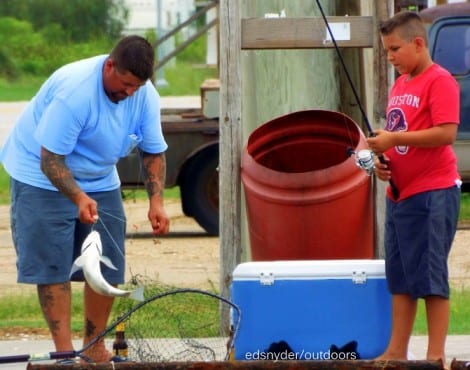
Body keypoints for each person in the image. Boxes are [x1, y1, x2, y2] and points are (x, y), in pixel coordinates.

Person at [0, 35, 170, 363]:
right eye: (125, 84)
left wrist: (157, 202)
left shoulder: (144, 95)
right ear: (109, 66)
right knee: (53, 266)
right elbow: (50, 159)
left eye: (137, 86)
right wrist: (78, 197)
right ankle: (64, 353)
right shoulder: (75, 94)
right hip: (39, 175)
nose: (130, 93)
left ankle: (94, 345)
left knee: (106, 266)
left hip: (100, 177)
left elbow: (152, 149)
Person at [367, 11, 460, 366]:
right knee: (401, 277)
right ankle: (396, 352)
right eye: (386, 50)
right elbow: (395, 135)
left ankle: (435, 356)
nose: (389, 57)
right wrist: (381, 159)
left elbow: (445, 132)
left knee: (431, 277)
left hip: (433, 193)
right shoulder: (400, 84)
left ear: (418, 43)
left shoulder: (440, 81)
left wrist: (395, 138)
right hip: (399, 195)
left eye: (394, 49)